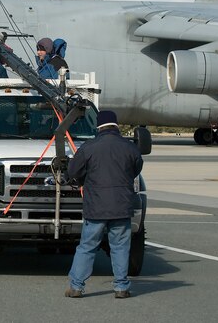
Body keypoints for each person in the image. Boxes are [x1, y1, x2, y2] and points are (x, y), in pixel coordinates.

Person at [64, 110, 143, 299]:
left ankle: (76, 287)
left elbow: (73, 171)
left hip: (96, 207)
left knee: (87, 246)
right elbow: (136, 169)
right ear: (115, 125)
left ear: (98, 126)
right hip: (122, 206)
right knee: (120, 247)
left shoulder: (89, 147)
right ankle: (121, 287)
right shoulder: (130, 148)